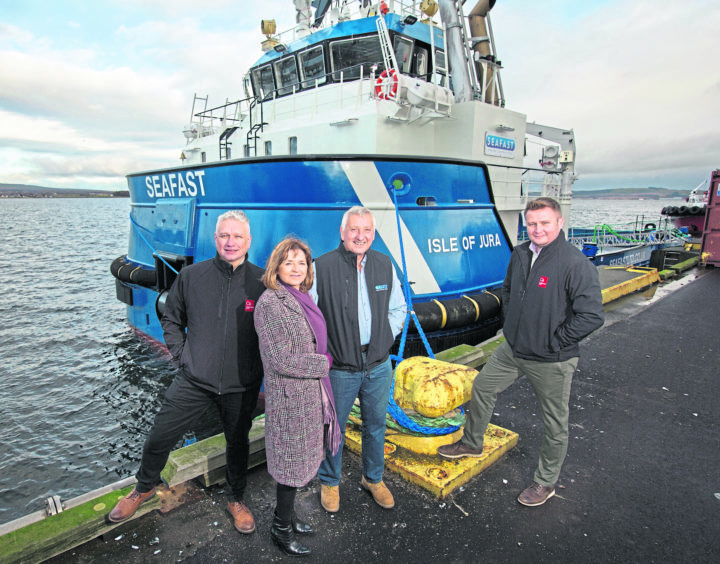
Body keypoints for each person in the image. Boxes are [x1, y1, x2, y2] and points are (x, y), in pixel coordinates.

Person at [437, 197, 604, 506]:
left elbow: (592, 316)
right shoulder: (520, 254)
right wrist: (510, 326)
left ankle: (545, 482)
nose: (537, 229)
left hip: (552, 359)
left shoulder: (574, 264)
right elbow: (509, 290)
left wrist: (554, 341)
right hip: (513, 349)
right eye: (532, 223)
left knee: (554, 424)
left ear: (559, 222)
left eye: (544, 223)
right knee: (483, 387)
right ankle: (472, 443)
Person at [108, 210, 266, 534]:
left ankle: (236, 499)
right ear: (215, 239)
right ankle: (145, 486)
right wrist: (182, 357)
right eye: (224, 235)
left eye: (237, 236)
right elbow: (170, 318)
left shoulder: (262, 282)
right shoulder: (193, 277)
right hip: (195, 379)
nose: (230, 242)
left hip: (241, 384)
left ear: (248, 241)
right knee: (159, 435)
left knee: (238, 444)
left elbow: (276, 328)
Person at [311, 206, 406, 512]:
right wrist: (322, 353)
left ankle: (373, 478)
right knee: (333, 427)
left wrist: (382, 341)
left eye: (366, 230)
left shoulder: (383, 264)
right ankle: (329, 482)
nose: (360, 236)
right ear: (342, 233)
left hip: (378, 365)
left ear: (373, 234)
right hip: (339, 368)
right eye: (354, 229)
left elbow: (398, 309)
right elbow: (308, 317)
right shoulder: (321, 268)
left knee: (376, 424)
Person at [254, 237, 341, 557]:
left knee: (304, 463)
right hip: (292, 400)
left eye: (301, 263)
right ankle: (280, 528)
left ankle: (289, 517)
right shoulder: (271, 302)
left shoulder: (301, 297)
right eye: (288, 262)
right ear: (276, 266)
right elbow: (280, 360)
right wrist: (325, 363)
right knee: (290, 468)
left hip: (310, 396)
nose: (295, 268)